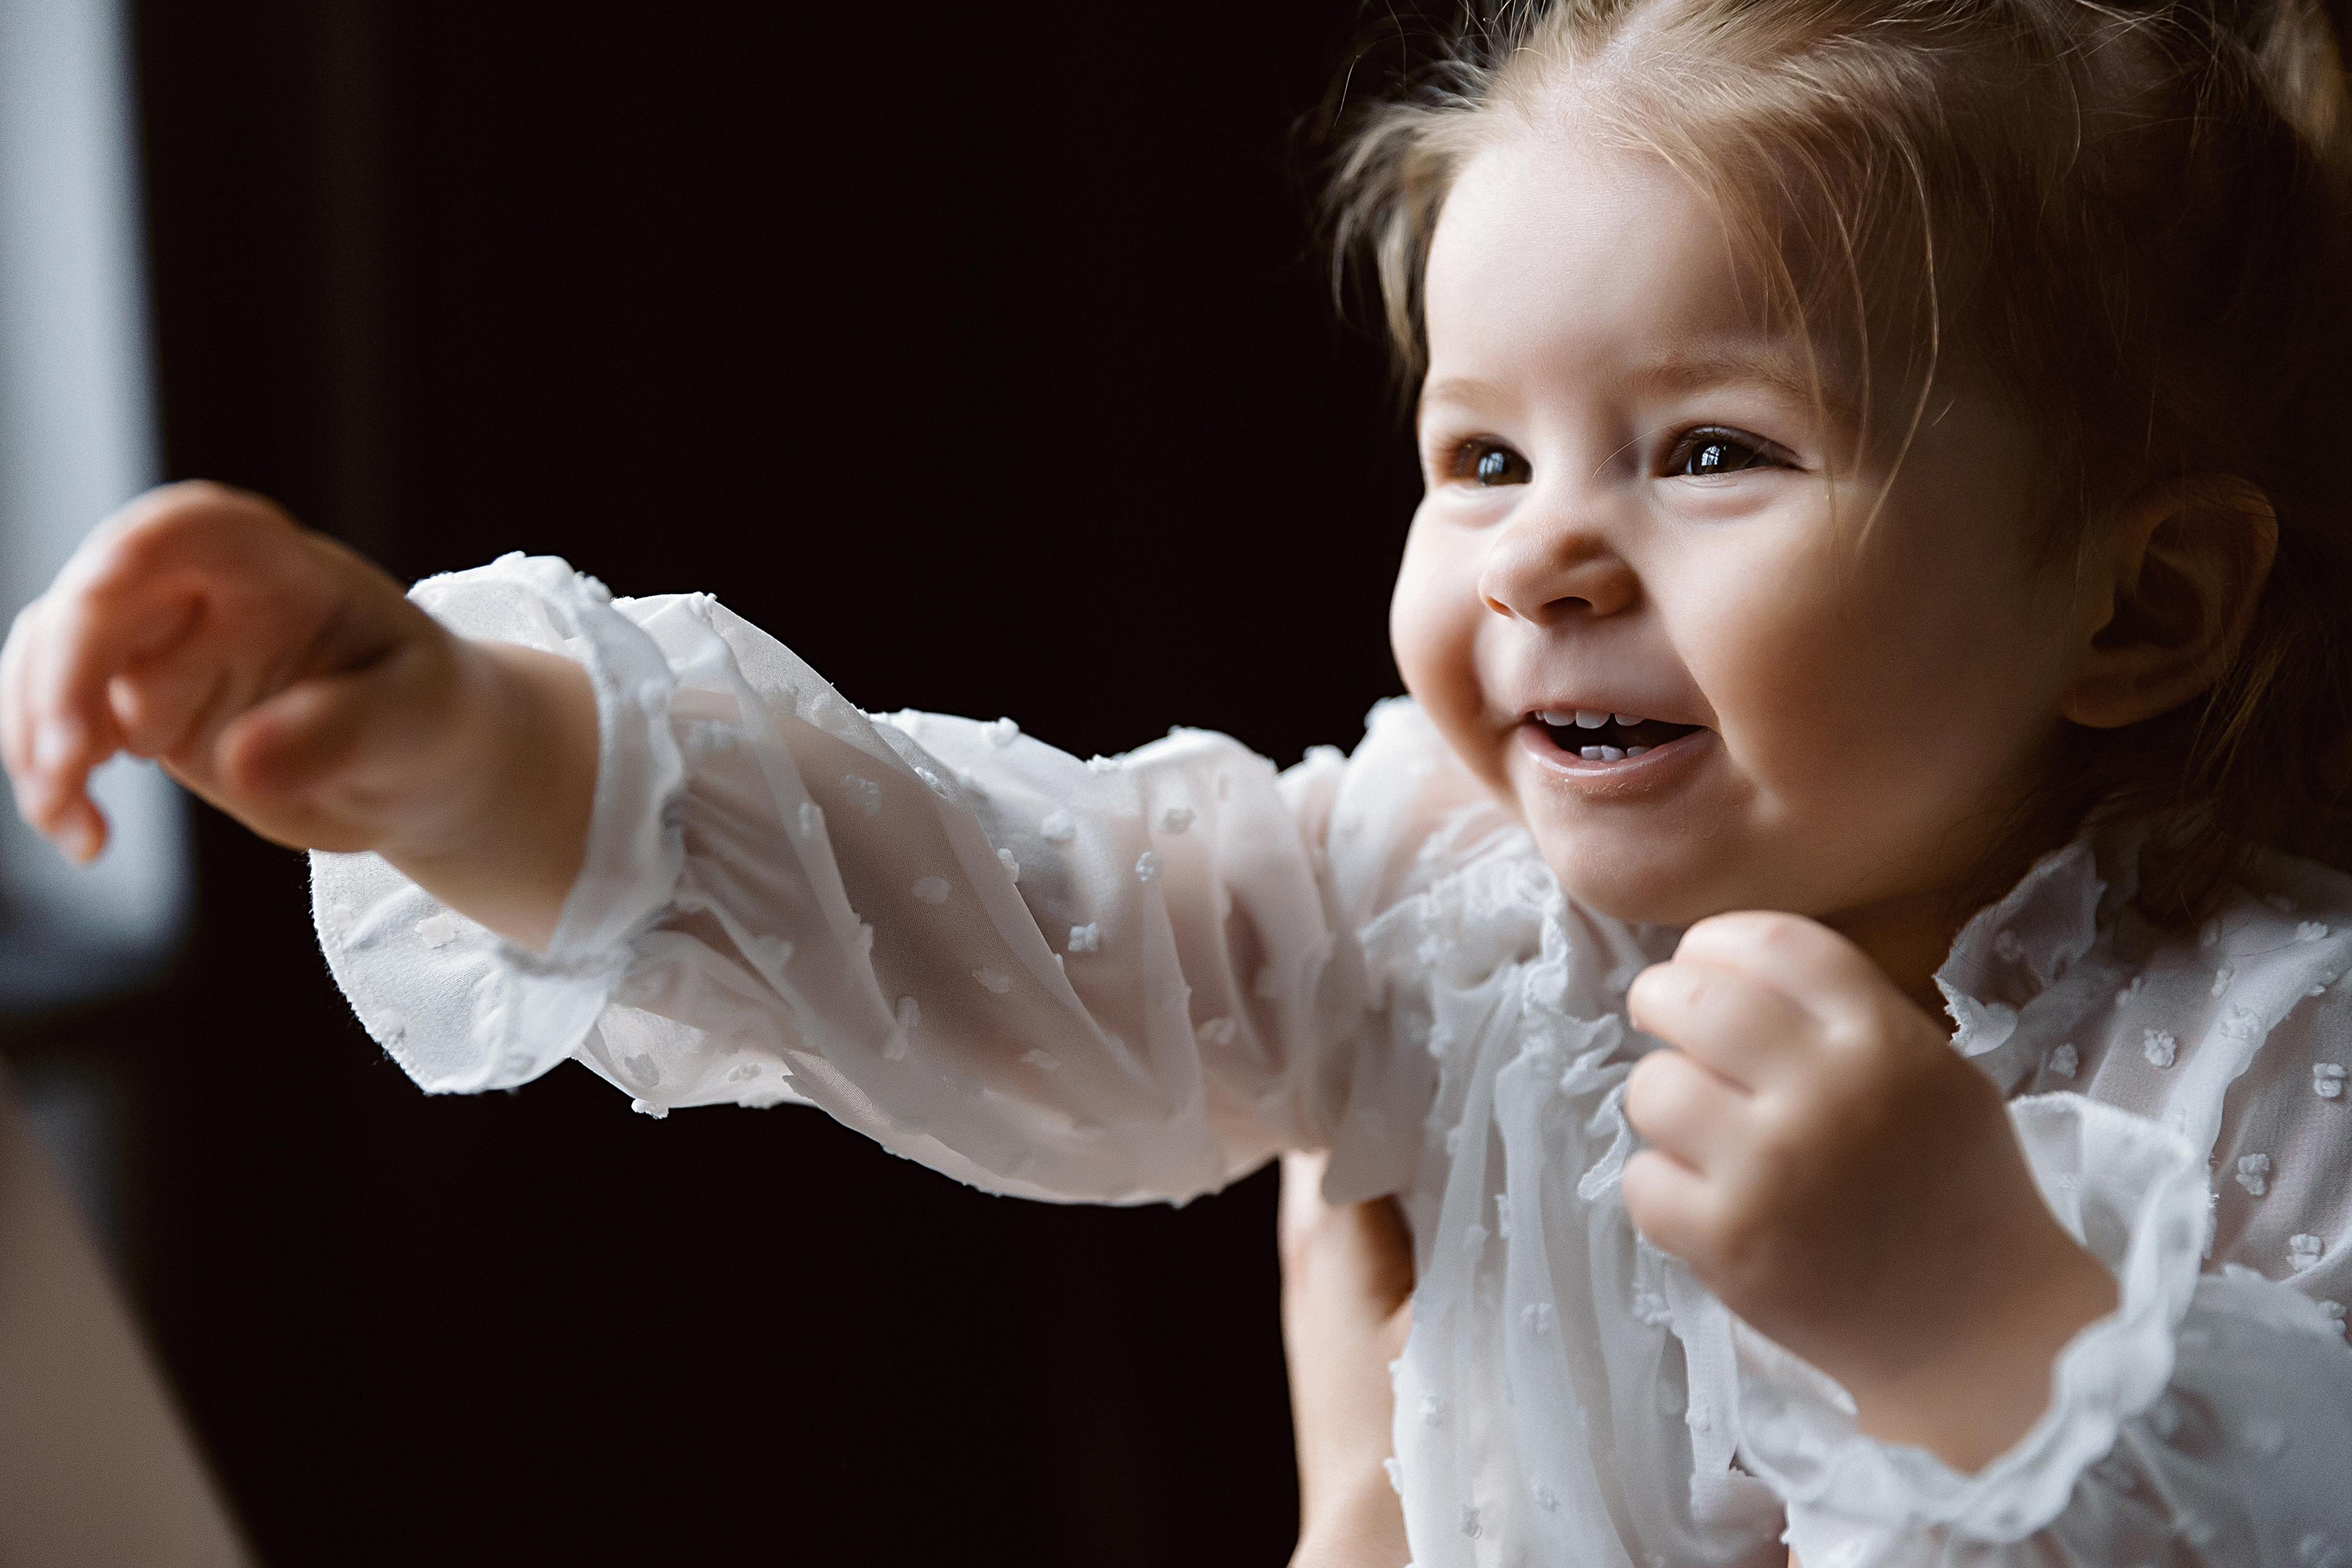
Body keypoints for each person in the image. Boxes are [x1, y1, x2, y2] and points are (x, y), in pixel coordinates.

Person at [6, 0, 2352, 1559]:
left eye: (1709, 447)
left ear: (2133, 607)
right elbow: (968, 897)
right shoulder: (1423, 897)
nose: (1538, 549)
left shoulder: (2267, 1050)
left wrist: (1981, 1323)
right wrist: (456, 731)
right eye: (1480, 450)